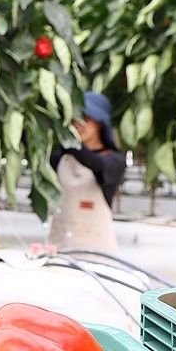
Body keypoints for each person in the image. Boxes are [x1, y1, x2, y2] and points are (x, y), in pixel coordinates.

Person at [47, 91, 127, 254]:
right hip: (59, 251)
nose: (79, 123)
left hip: (97, 255)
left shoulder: (114, 161)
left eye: (86, 117)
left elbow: (93, 162)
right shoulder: (61, 159)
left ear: (100, 122)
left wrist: (68, 138)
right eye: (75, 117)